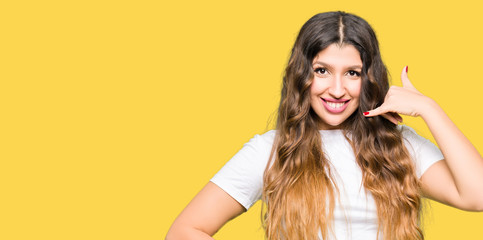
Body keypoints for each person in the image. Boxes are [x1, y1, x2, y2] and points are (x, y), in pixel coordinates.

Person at [165, 11, 483, 240]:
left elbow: (478, 196)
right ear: (302, 74)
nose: (336, 89)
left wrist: (430, 108)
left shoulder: (399, 145)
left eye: (352, 73)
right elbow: (184, 231)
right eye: (322, 71)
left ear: (368, 78)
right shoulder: (271, 150)